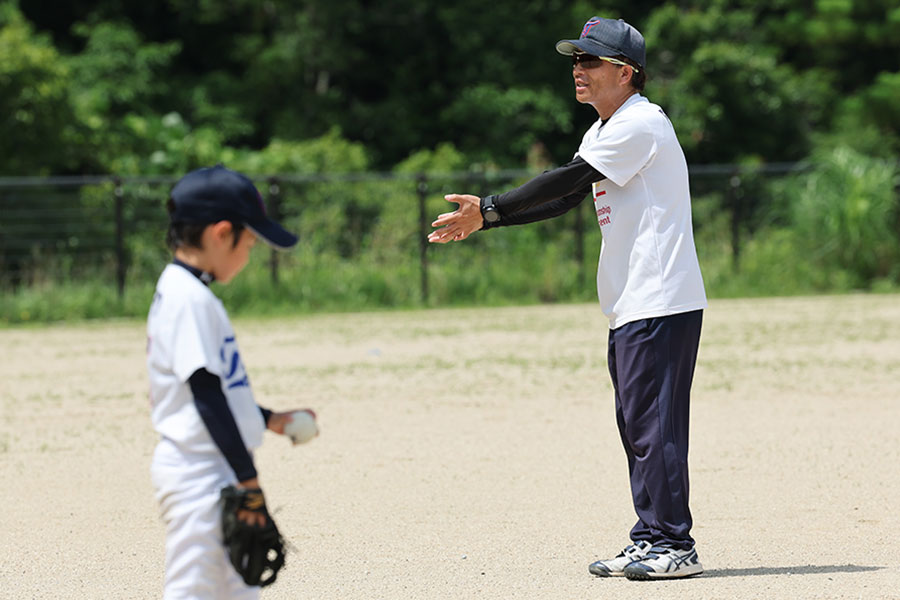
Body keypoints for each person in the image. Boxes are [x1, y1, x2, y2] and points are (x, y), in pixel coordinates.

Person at [429, 16, 707, 580]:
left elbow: (568, 181)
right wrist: (489, 222)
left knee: (654, 426)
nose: (577, 70)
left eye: (590, 60)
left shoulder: (641, 123)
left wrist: (491, 207)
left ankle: (676, 544)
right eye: (574, 60)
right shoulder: (604, 130)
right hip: (632, 302)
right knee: (636, 425)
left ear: (626, 72)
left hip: (660, 298)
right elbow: (564, 200)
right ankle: (651, 534)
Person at [147, 165, 314, 598]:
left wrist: (271, 419)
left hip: (213, 466)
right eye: (251, 241)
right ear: (222, 234)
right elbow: (204, 395)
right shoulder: (189, 300)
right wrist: (250, 484)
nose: (250, 252)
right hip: (199, 474)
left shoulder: (188, 293)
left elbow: (213, 391)